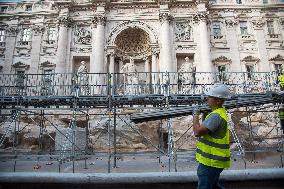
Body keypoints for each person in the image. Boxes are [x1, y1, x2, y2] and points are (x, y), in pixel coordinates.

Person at [193, 83, 231, 189]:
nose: (207, 98)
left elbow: (197, 132)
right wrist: (204, 115)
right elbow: (208, 129)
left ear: (218, 100)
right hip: (213, 160)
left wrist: (195, 114)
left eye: (210, 97)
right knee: (213, 186)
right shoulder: (218, 112)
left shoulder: (216, 116)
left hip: (211, 162)